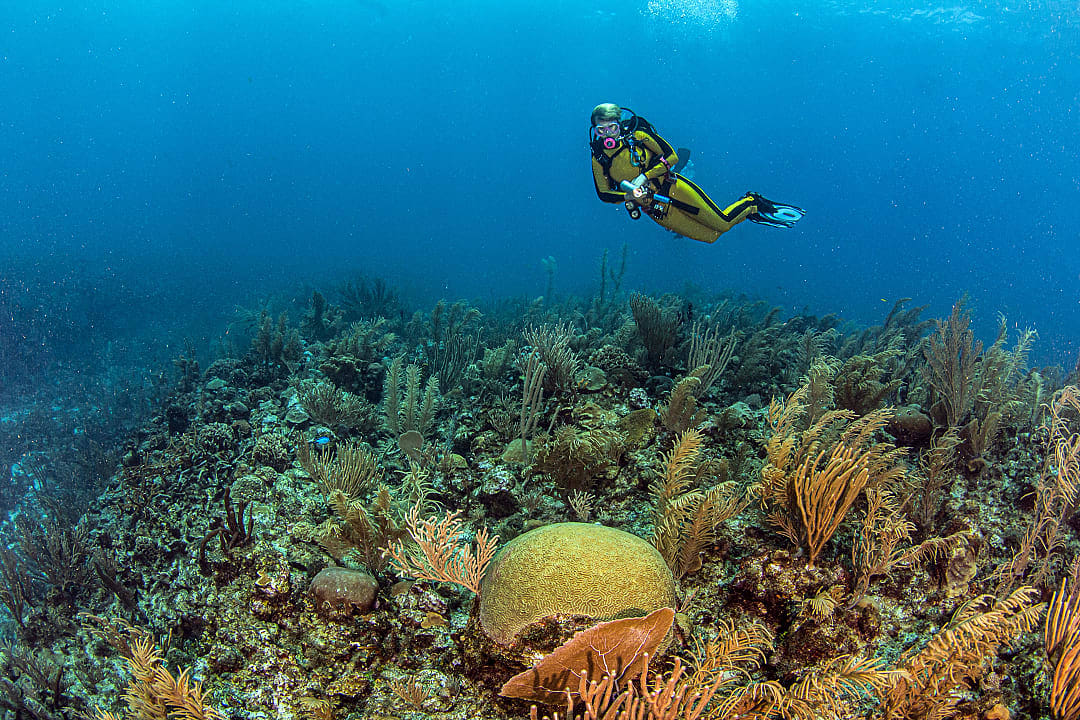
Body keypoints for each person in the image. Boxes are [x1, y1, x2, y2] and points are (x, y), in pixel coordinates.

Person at [589, 103, 803, 244]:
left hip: (672, 187)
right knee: (711, 237)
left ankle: (752, 203)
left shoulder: (638, 136)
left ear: (620, 126)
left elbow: (671, 157)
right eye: (602, 129)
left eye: (613, 128)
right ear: (595, 131)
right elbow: (604, 193)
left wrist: (644, 177)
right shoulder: (599, 157)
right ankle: (749, 211)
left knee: (722, 223)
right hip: (654, 207)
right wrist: (631, 196)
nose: (608, 134)